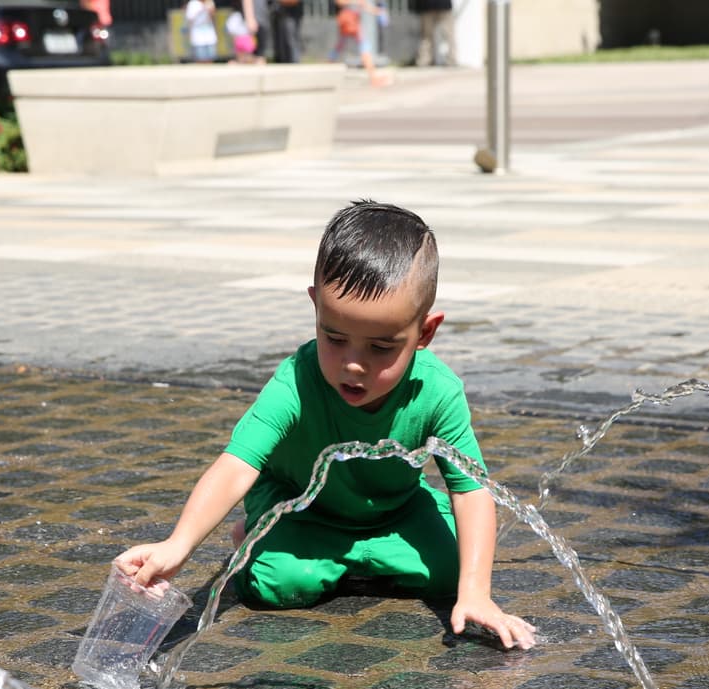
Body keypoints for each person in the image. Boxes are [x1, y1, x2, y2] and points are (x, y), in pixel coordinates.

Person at [114, 201, 538, 651]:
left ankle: (366, 553)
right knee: (279, 586)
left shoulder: (437, 391)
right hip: (302, 508)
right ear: (316, 307)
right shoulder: (294, 382)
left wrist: (476, 593)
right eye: (334, 338)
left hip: (395, 510)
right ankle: (256, 533)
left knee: (453, 574)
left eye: (381, 347)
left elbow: (471, 488)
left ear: (425, 333)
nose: (353, 364)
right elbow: (237, 464)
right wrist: (179, 544)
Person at [410, 0, 453, 67]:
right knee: (447, 35)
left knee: (427, 36)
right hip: (437, 5)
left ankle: (424, 60)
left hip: (428, 5)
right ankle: (451, 59)